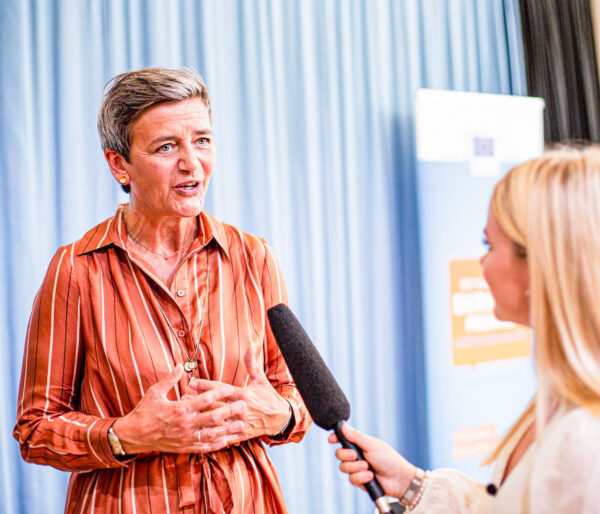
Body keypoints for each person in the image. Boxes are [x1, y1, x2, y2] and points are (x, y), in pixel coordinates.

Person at [13, 67, 311, 513]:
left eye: (203, 140)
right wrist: (126, 434)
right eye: (167, 147)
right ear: (120, 165)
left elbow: (297, 398)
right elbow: (36, 430)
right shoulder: (76, 270)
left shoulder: (254, 257)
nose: (191, 163)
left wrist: (278, 414)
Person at [329, 147, 600, 512]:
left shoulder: (583, 439)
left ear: (538, 262)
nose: (482, 263)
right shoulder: (558, 403)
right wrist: (411, 483)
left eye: (489, 244)